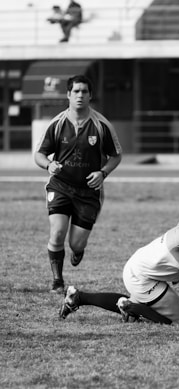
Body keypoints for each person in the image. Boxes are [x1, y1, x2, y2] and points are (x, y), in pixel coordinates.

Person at [59, 195, 179, 324]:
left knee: (154, 307)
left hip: (148, 272)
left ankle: (79, 297)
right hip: (140, 275)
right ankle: (132, 308)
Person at [34, 75, 123, 294]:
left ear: (90, 95)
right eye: (76, 91)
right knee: (57, 233)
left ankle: (78, 250)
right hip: (60, 185)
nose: (80, 95)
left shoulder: (102, 125)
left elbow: (116, 156)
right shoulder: (57, 123)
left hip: (88, 192)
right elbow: (39, 154)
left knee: (76, 244)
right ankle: (57, 281)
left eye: (84, 91)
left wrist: (103, 173)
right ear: (68, 95)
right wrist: (48, 166)